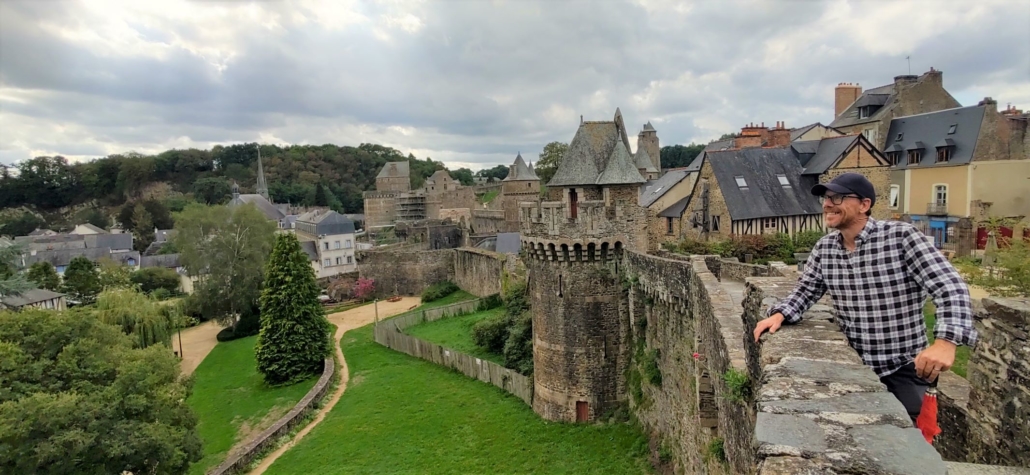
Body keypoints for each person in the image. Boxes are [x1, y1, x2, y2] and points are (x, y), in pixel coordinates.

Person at [752, 173, 977, 422]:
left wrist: (946, 342)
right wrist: (780, 314)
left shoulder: (901, 237)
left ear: (864, 204)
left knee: (908, 448)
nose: (827, 204)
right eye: (826, 198)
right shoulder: (825, 248)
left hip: (903, 368)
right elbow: (806, 290)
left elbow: (950, 286)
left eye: (837, 197)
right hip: (854, 367)